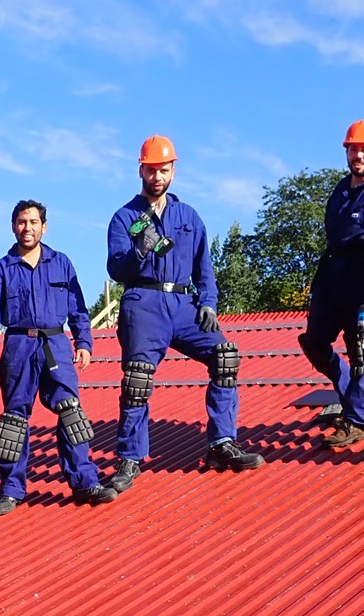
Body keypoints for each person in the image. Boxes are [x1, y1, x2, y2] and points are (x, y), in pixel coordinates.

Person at [105, 135, 264, 493]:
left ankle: (221, 443)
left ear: (173, 170)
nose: (157, 176)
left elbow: (203, 267)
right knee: (138, 380)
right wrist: (139, 251)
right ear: (140, 170)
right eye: (151, 170)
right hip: (143, 303)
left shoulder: (189, 216)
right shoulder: (124, 217)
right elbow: (116, 268)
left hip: (183, 303)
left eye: (163, 170)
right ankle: (130, 459)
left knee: (225, 356)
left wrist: (208, 303)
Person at [0, 199, 116, 512]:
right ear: (13, 226)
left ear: (44, 226)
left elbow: (78, 306)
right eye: (22, 222)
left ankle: (84, 481)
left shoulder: (61, 263)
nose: (28, 228)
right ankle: (11, 489)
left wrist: (84, 341)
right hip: (18, 346)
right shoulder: (0, 269)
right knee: (14, 421)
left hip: (55, 344)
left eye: (33, 222)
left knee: (71, 412)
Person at [299, 120, 364, 447]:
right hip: (331, 277)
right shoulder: (340, 190)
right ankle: (353, 396)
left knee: (358, 348)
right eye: (353, 149)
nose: (358, 155)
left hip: (362, 278)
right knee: (313, 341)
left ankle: (360, 418)